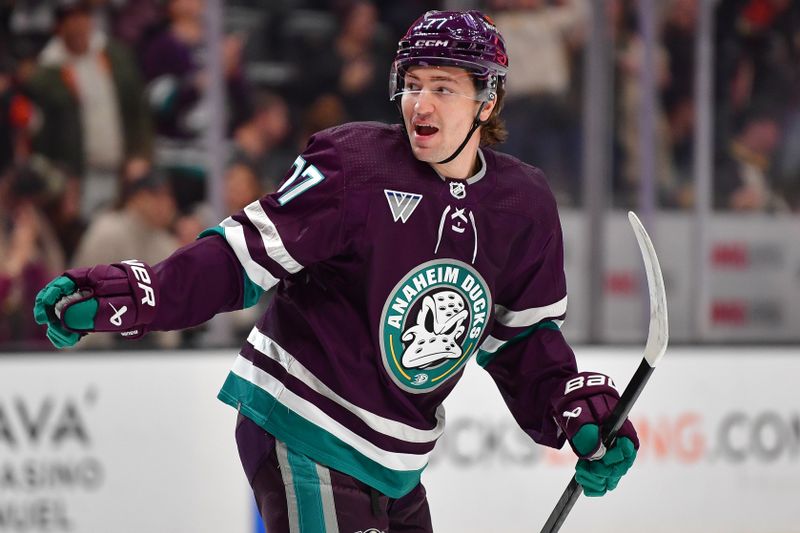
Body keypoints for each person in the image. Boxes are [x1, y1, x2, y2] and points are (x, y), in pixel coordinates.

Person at [33, 10, 639, 532]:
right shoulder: (355, 166)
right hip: (303, 423)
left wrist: (570, 409)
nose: (420, 104)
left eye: (445, 88)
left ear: (489, 100)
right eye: (412, 84)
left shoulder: (522, 204)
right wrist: (133, 294)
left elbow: (525, 341)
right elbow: (237, 260)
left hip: (399, 462)